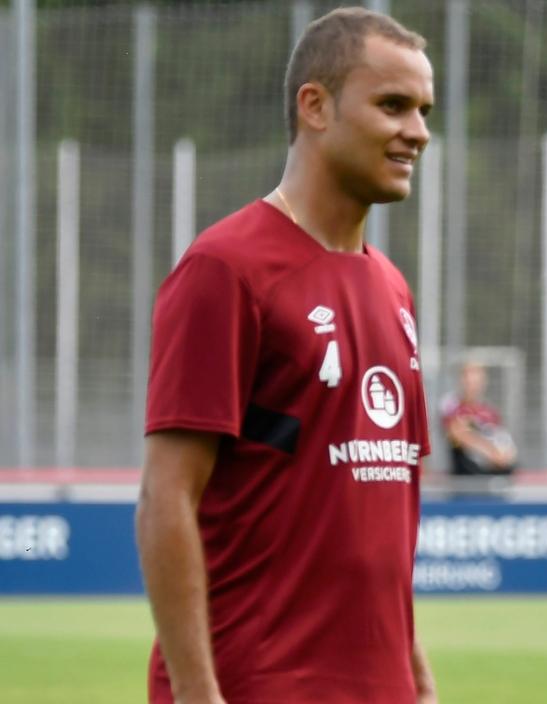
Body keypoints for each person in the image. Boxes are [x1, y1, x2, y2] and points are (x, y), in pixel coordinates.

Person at [134, 8, 438, 703]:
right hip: (258, 685)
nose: (417, 132)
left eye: (423, 110)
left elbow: (380, 523)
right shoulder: (225, 268)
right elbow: (165, 496)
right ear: (315, 105)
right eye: (392, 105)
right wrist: (196, 693)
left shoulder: (391, 285)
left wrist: (417, 680)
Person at [441, 360, 518, 479]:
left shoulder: (490, 411)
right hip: (465, 476)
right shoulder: (452, 405)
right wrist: (492, 453)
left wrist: (506, 455)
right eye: (467, 377)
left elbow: (501, 438)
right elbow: (458, 434)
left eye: (476, 377)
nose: (471, 383)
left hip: (491, 474)